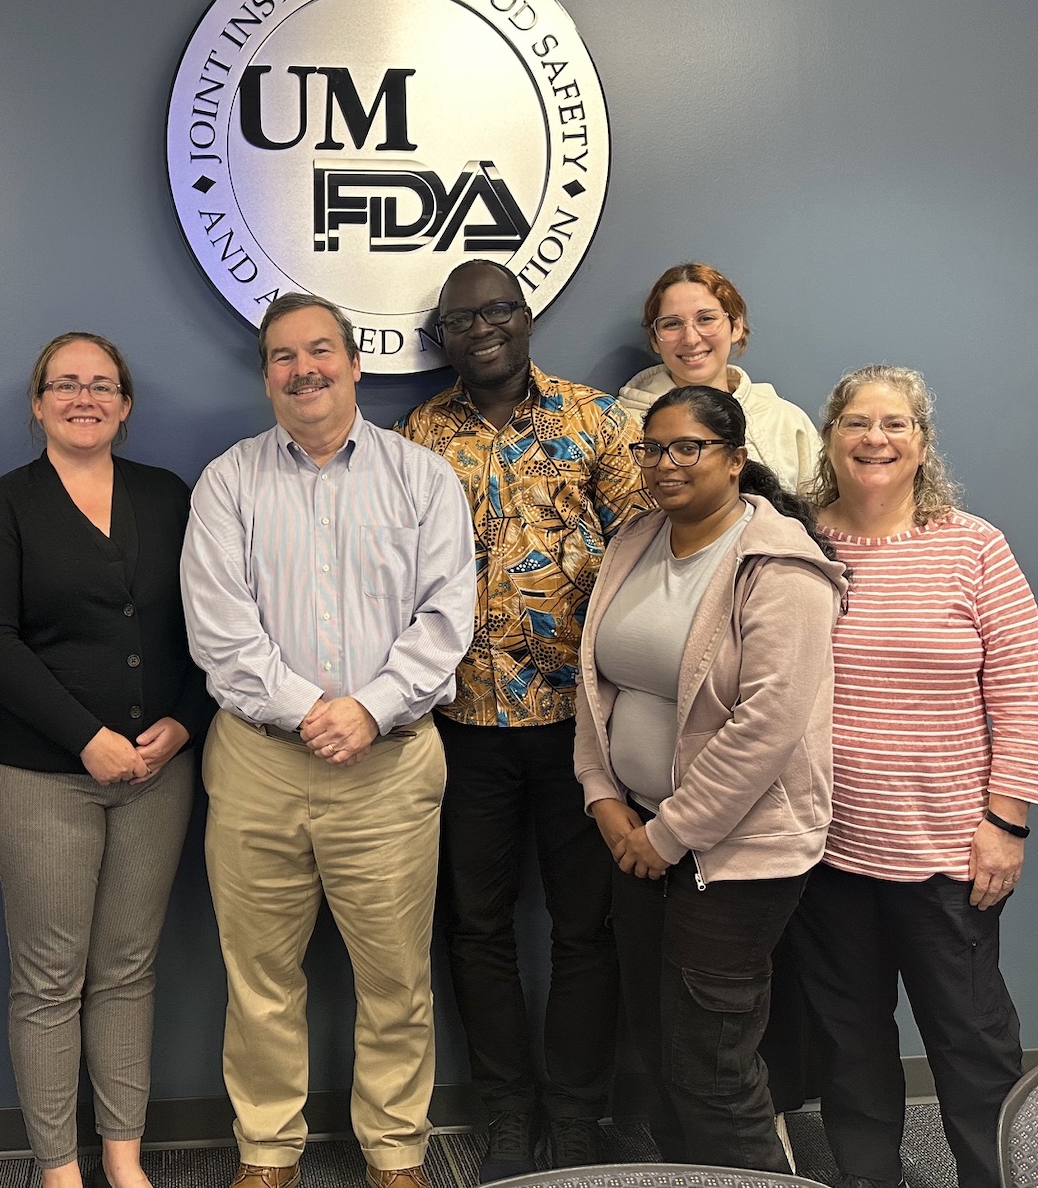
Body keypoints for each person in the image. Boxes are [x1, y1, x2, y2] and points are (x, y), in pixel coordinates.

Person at [182, 293, 474, 1188]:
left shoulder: (422, 478)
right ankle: (268, 1152)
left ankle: (396, 1153)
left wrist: (370, 707)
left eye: (319, 351)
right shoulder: (227, 482)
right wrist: (316, 707)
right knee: (260, 978)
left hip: (388, 767)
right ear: (266, 373)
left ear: (354, 363)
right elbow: (219, 631)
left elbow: (446, 616)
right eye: (282, 356)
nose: (303, 369)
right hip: (259, 764)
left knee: (395, 981)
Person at [395, 260, 650, 1178]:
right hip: (461, 725)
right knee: (476, 925)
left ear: (527, 316)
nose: (484, 328)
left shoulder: (594, 421)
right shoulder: (418, 435)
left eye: (499, 309)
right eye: (463, 319)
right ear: (445, 337)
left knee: (587, 927)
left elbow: (655, 547)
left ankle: (578, 1115)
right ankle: (507, 1110)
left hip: (583, 727)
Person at [0, 332, 213, 1188]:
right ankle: (59, 1170)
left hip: (157, 776)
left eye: (102, 384)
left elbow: (208, 625)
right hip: (40, 781)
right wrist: (86, 738)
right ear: (37, 404)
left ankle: (124, 1159)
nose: (83, 397)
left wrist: (182, 723)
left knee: (128, 970)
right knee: (50, 978)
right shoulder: (1, 508)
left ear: (126, 405)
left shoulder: (168, 497)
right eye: (64, 384)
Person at [789, 365, 1038, 1188]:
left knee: (971, 1046)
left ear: (922, 442)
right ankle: (870, 1177)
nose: (876, 438)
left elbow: (1026, 692)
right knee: (849, 1044)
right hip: (826, 851)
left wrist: (1005, 823)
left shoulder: (973, 545)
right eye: (858, 423)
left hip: (948, 854)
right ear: (829, 436)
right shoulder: (797, 543)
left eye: (896, 423)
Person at [573, 385, 846, 1173]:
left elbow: (766, 728)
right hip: (635, 836)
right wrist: (602, 797)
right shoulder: (635, 540)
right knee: (657, 1053)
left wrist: (667, 835)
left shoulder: (782, 566)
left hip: (734, 855)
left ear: (734, 459)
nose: (664, 464)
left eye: (686, 447)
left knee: (713, 1067)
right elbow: (598, 683)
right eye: (651, 448)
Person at [618, 263, 819, 493]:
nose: (691, 339)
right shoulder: (623, 426)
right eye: (672, 324)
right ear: (655, 339)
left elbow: (819, 514)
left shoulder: (785, 420)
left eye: (706, 319)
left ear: (736, 326)